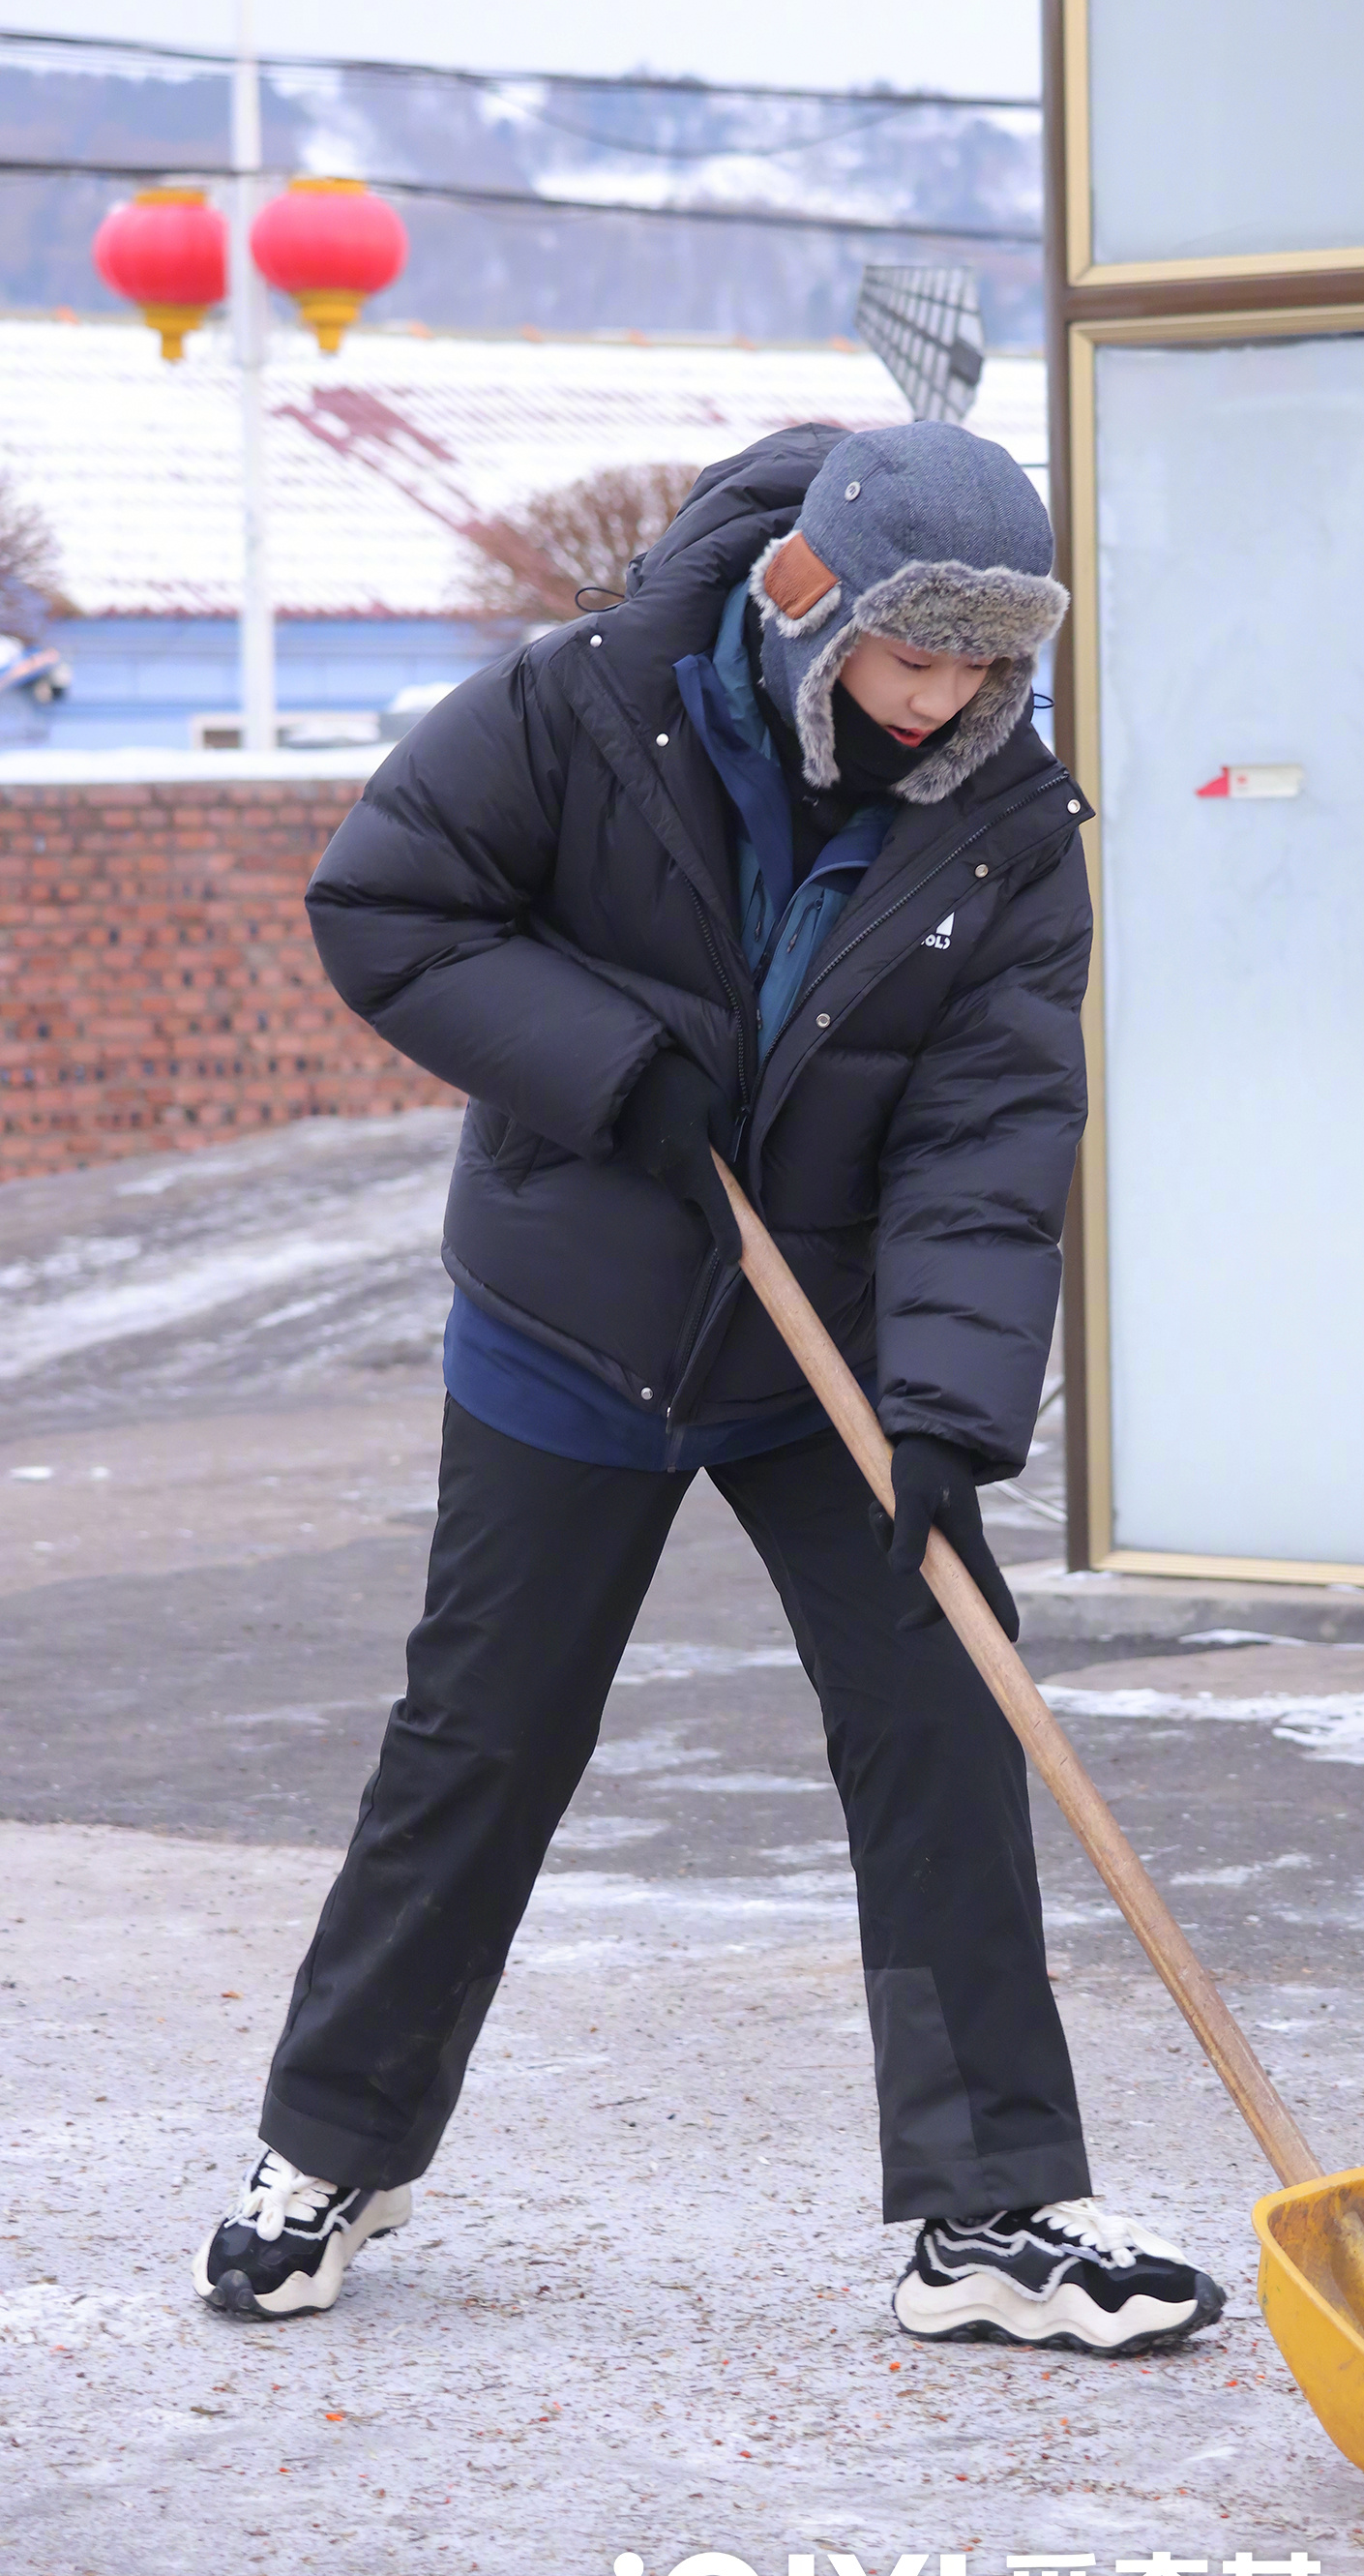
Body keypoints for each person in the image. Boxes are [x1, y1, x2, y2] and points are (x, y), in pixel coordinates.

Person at [193, 419, 1225, 2356]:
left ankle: (989, 2211)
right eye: (914, 656)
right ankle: (328, 2147)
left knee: (942, 1719)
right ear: (806, 600)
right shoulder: (584, 704)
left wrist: (942, 1416)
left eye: (984, 668)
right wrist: (605, 1064)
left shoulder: (1007, 830)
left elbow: (988, 1136)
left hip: (819, 1348)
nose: (939, 706)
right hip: (570, 1317)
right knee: (481, 1736)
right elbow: (389, 907)